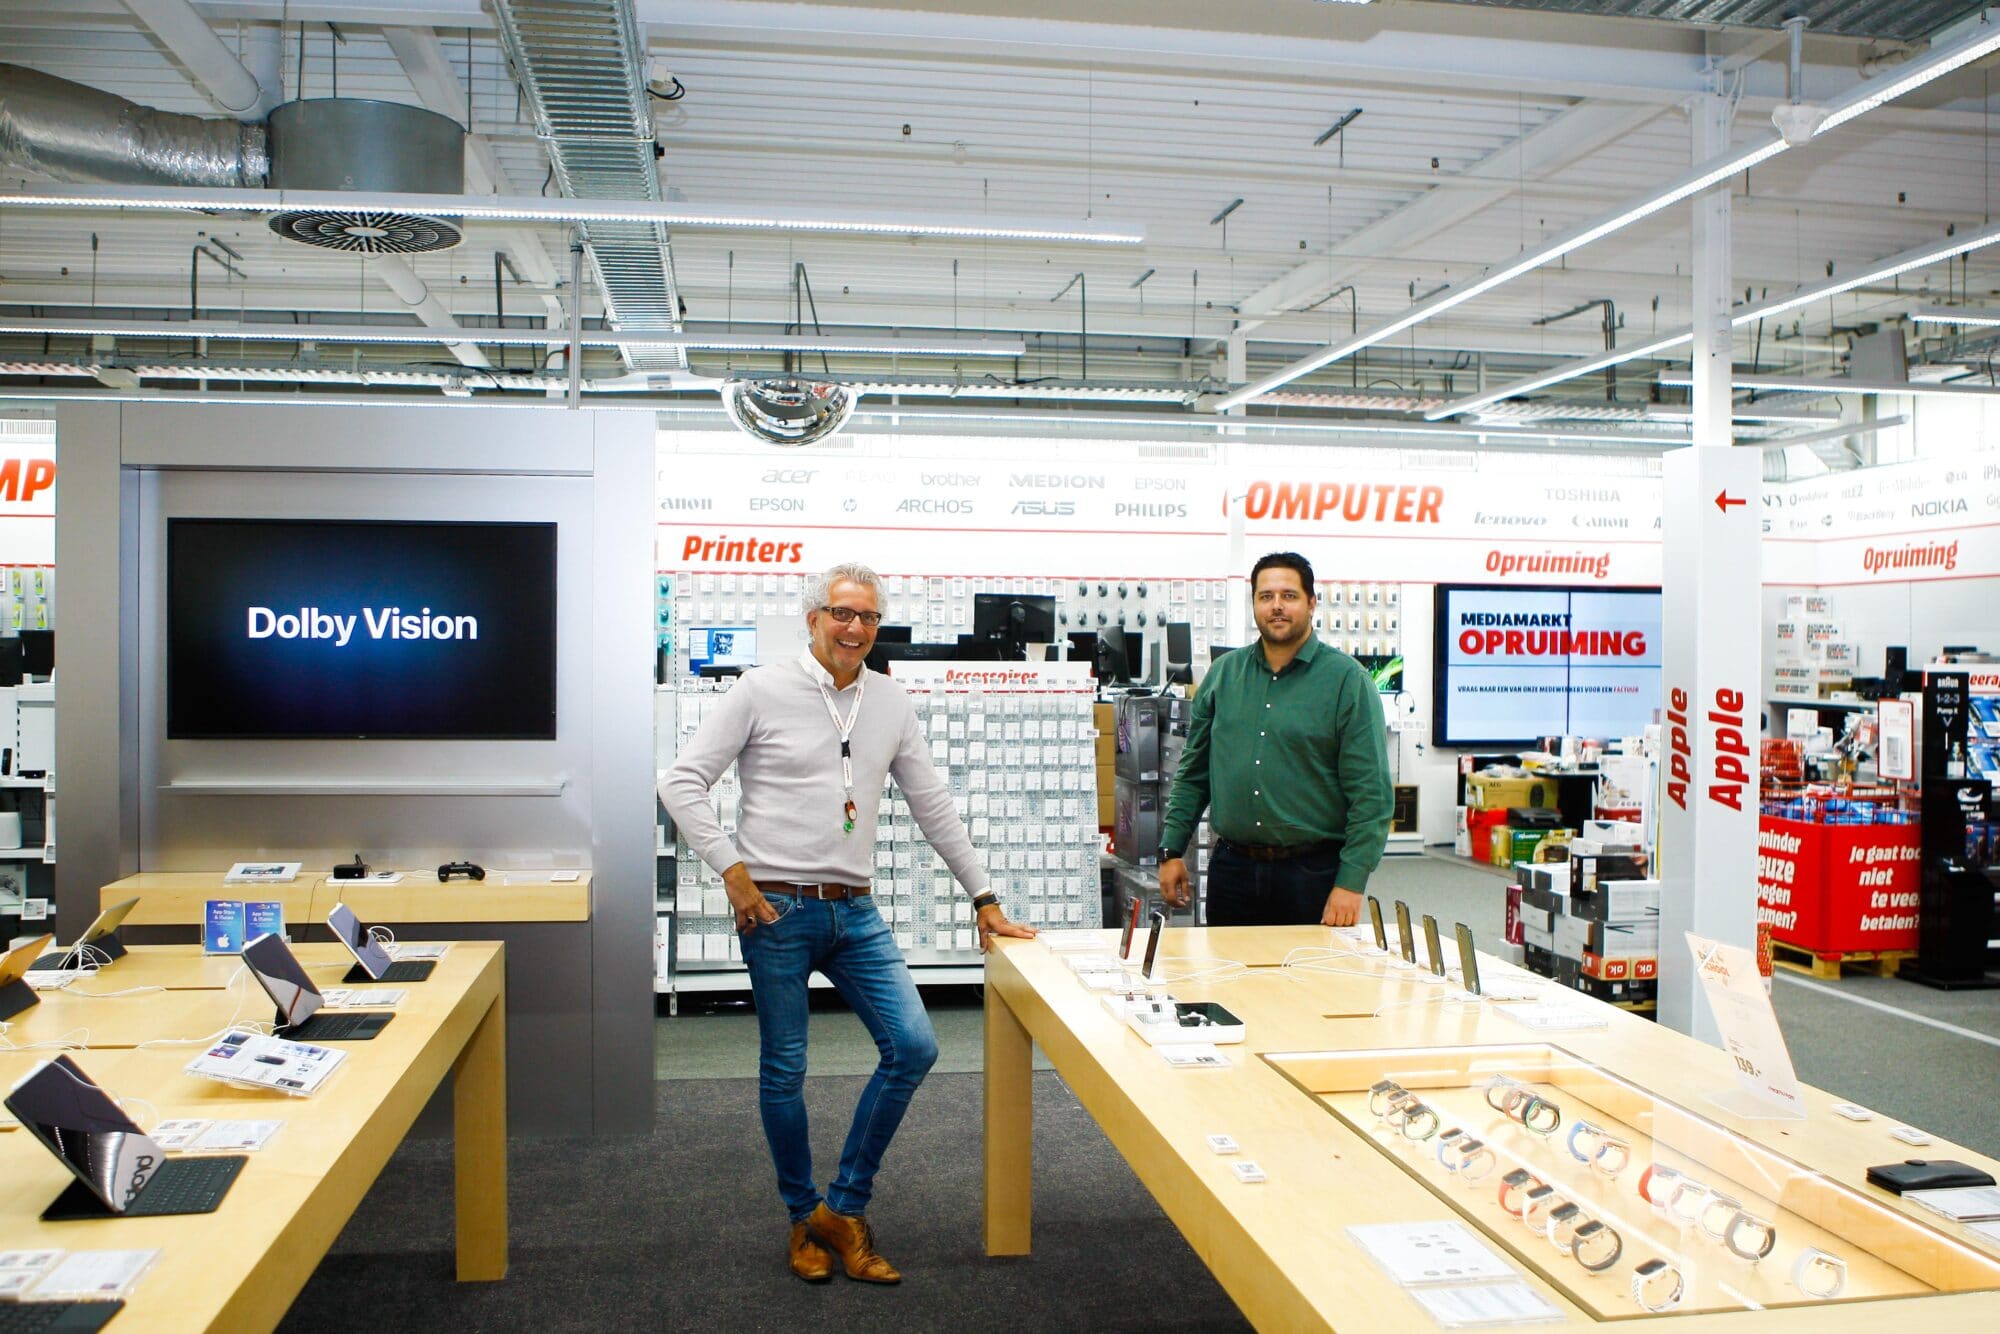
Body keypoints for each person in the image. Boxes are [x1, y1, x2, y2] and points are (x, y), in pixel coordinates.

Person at [660, 561, 1036, 1286]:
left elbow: (933, 805)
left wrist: (984, 896)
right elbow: (680, 781)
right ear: (813, 619)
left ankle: (843, 1207)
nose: (855, 628)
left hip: (854, 908)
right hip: (774, 907)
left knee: (916, 1045)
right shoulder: (761, 689)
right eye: (842, 613)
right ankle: (802, 1220)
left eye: (868, 618)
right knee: (786, 1070)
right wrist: (731, 871)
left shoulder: (890, 700)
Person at [1157, 551, 1392, 927]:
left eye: (1289, 595)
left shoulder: (1348, 682)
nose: (1277, 606)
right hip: (1232, 871)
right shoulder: (1223, 675)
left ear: (1312, 602)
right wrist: (1171, 849)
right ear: (1254, 604)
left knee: (1308, 982)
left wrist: (1352, 882)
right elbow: (1193, 773)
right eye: (1266, 596)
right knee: (1229, 981)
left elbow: (1372, 796)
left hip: (1311, 874)